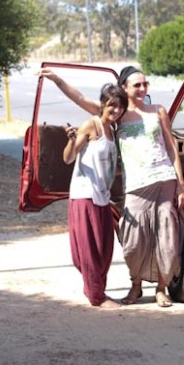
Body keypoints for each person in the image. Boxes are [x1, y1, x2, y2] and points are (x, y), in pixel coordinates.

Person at [40, 66, 184, 308]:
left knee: (166, 237)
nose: (142, 89)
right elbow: (79, 98)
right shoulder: (117, 115)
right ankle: (136, 286)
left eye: (145, 84)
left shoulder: (157, 111)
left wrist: (180, 185)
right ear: (124, 88)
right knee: (133, 241)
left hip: (164, 180)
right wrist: (57, 80)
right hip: (136, 185)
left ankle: (161, 289)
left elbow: (171, 149)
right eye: (136, 85)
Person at [62, 83, 128, 308]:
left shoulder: (114, 129)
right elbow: (68, 158)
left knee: (105, 248)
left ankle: (94, 287)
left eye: (120, 106)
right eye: (112, 106)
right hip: (84, 194)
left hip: (102, 195)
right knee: (90, 249)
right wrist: (72, 141)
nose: (116, 110)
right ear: (102, 105)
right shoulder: (91, 125)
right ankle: (96, 295)